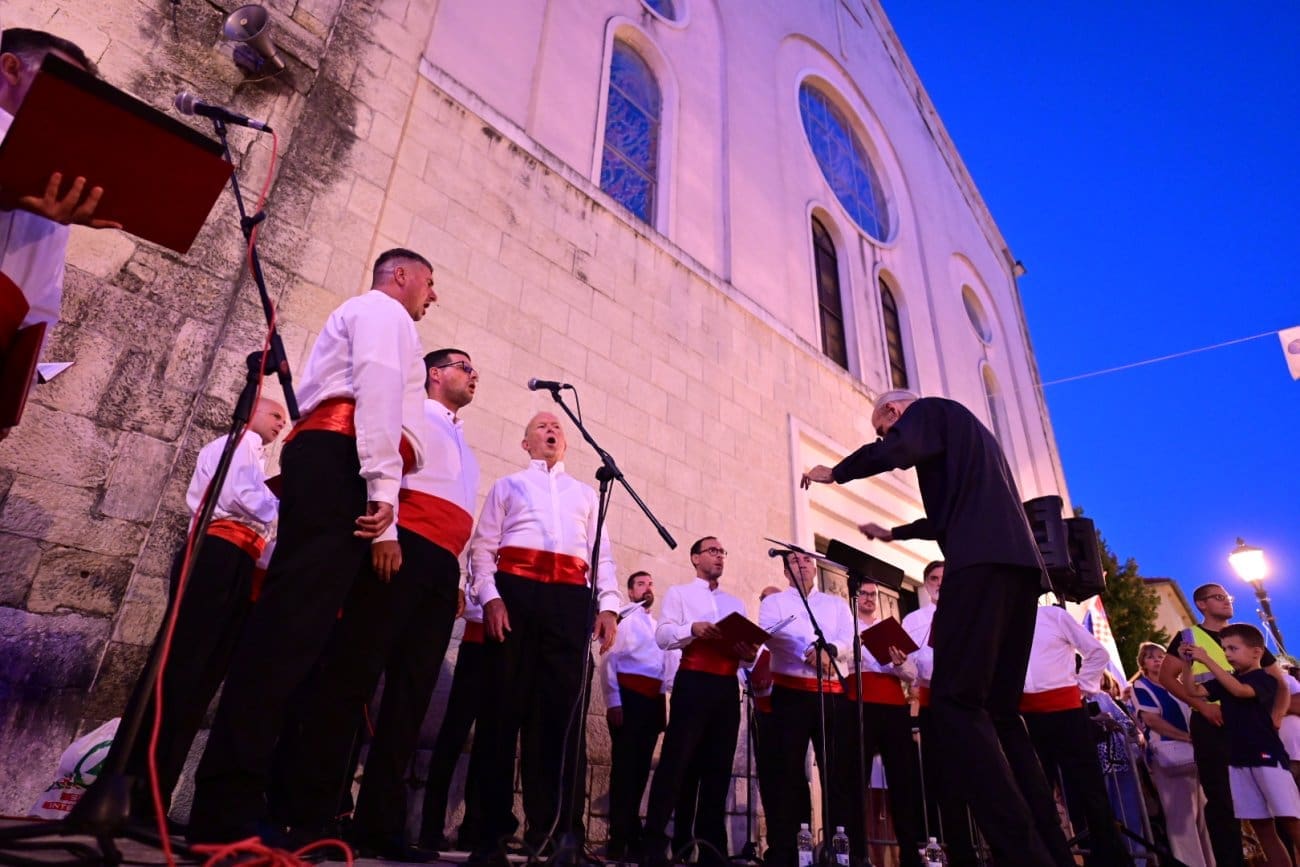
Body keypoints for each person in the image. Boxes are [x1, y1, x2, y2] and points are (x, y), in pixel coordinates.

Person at [187, 248, 438, 844]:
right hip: (342, 459)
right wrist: (383, 488)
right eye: (429, 283)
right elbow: (378, 392)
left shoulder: (370, 314)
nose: (433, 296)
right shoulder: (383, 311)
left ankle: (247, 803)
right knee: (289, 630)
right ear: (401, 276)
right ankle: (225, 812)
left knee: (300, 633)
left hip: (338, 458)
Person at [802, 390, 1072, 867]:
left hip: (981, 566)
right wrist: (896, 534)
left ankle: (1024, 856)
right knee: (1000, 713)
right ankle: (1054, 852)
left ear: (893, 412)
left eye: (883, 428)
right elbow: (947, 515)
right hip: (1021, 573)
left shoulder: (929, 410)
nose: (887, 436)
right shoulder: (973, 438)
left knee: (954, 703)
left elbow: (899, 448)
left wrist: (836, 472)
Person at [271, 347, 481, 859]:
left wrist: (457, 574)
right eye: (465, 367)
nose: (474, 375)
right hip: (401, 548)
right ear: (435, 374)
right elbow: (384, 472)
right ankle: (312, 817)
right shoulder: (412, 413)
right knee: (351, 680)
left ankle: (380, 825)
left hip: (441, 568)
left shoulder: (466, 444)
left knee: (411, 697)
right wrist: (383, 536)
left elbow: (458, 512)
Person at [466, 411, 620, 865]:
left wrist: (608, 605)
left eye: (557, 428)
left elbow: (601, 556)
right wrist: (491, 597)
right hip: (516, 594)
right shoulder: (508, 486)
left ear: (565, 443)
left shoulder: (586, 495)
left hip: (569, 601)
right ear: (525, 443)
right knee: (500, 715)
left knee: (561, 722)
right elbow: (483, 548)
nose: (551, 431)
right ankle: (490, 835)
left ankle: (557, 833)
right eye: (541, 427)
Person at [121, 398, 285, 817]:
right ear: (252, 411)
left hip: (237, 559)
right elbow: (241, 497)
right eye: (275, 415)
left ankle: (153, 798)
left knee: (202, 675)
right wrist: (289, 508)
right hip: (217, 553)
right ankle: (133, 791)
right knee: (184, 665)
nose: (281, 423)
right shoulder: (238, 444)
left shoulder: (254, 456)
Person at [0, 28, 117, 440]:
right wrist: (11, 195)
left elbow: (41, 294)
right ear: (11, 68)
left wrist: (14, 388)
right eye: (62, 85)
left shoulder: (58, 175)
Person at [641, 537, 759, 867]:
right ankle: (654, 844)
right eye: (712, 551)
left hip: (726, 688)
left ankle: (711, 848)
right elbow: (662, 636)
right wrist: (692, 628)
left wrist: (749, 655)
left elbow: (746, 658)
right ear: (695, 558)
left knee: (718, 769)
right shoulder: (679, 594)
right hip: (693, 680)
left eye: (722, 552)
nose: (719, 556)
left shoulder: (735, 602)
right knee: (675, 763)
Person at [1160, 583, 1290, 867]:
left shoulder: (1245, 637)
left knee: (1273, 802)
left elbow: (1280, 683)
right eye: (1218, 597)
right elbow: (1167, 677)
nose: (1227, 601)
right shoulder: (1189, 637)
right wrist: (1202, 706)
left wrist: (1276, 719)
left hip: (1251, 728)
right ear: (1201, 604)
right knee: (1222, 801)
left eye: (1228, 597)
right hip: (1212, 725)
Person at [757, 551, 853, 867]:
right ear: (786, 571)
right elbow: (772, 634)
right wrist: (810, 652)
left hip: (831, 695)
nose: (803, 565)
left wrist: (831, 650)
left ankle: (839, 850)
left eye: (807, 560)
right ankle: (791, 850)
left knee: (836, 773)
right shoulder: (774, 602)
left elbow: (849, 637)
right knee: (788, 773)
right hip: (791, 693)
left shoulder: (836, 604)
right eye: (795, 561)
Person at [1020, 602, 1132, 866]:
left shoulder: (1053, 615)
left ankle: (1110, 859)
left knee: (1088, 790)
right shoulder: (1000, 620)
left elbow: (1097, 652)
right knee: (1036, 792)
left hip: (1067, 710)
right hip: (1025, 716)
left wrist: (1081, 686)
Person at [1188, 624, 1300, 867]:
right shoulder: (1226, 679)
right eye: (1224, 649)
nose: (1227, 654)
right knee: (1262, 827)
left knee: (1291, 821)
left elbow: (1240, 691)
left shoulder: (1264, 679)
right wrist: (1187, 665)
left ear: (1257, 652)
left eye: (1233, 648)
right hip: (1238, 760)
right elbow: (1193, 691)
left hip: (1267, 758)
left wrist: (1207, 660)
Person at [835, 583, 924, 867]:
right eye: (863, 593)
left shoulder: (891, 629)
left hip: (893, 704)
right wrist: (857, 649)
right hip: (858, 702)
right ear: (853, 596)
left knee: (903, 779)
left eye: (873, 594)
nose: (869, 598)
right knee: (855, 778)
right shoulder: (845, 627)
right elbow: (839, 663)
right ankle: (857, 853)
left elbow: (912, 674)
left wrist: (899, 663)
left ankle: (910, 852)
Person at [901, 561, 977, 867]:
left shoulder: (970, 611)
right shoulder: (913, 620)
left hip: (966, 703)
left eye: (945, 577)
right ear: (926, 584)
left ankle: (982, 849)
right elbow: (909, 666)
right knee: (938, 779)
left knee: (974, 775)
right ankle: (951, 852)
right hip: (931, 703)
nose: (940, 583)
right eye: (934, 578)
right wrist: (901, 665)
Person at [602, 571, 669, 861]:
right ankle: (618, 837)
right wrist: (613, 701)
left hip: (652, 701)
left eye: (650, 583)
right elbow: (608, 659)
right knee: (624, 769)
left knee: (641, 770)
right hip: (628, 697)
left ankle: (632, 832)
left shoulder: (657, 626)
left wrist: (662, 706)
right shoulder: (623, 618)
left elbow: (662, 667)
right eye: (641, 584)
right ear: (630, 592)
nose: (647, 588)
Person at [418, 587, 489, 852]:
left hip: (505, 646)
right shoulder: (481, 562)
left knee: (489, 742)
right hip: (476, 642)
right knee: (452, 736)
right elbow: (468, 596)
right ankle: (430, 828)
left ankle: (474, 828)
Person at [1131, 643, 1212, 867]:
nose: (1157, 660)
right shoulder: (1142, 686)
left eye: (1161, 655)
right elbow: (1152, 720)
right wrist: (1186, 737)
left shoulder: (1176, 684)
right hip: (1170, 757)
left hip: (1195, 755)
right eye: (1151, 657)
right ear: (1143, 663)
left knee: (1202, 817)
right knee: (1181, 820)